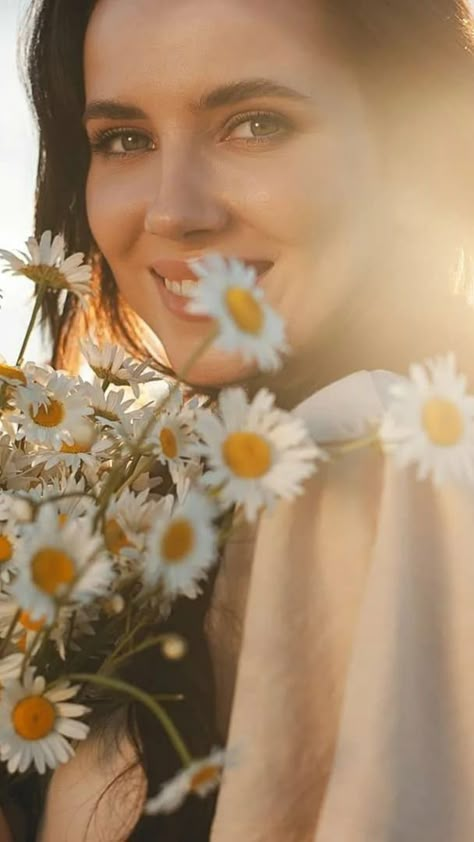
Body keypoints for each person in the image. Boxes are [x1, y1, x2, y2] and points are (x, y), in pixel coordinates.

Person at [2, 0, 474, 839]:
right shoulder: (185, 480)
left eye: (256, 124)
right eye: (124, 139)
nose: (172, 212)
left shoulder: (381, 459)